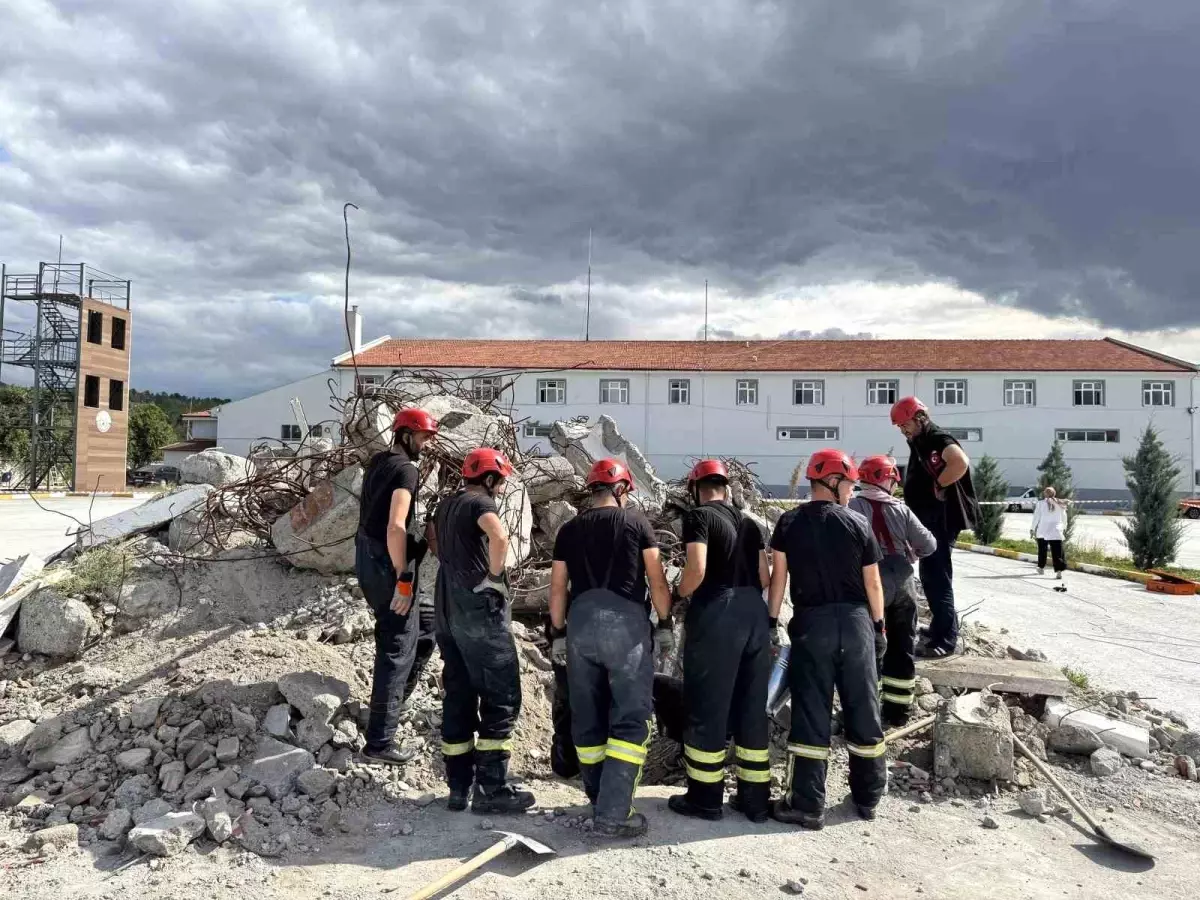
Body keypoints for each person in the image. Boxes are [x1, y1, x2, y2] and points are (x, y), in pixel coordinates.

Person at [548, 458, 672, 838]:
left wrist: (557, 633)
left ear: (592, 490)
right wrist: (665, 623)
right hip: (626, 629)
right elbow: (656, 580)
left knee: (587, 715)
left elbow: (557, 589)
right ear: (621, 490)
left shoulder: (569, 530)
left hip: (581, 627)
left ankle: (598, 796)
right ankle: (614, 814)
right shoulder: (636, 523)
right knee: (631, 718)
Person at [767, 449, 887, 829]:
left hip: (812, 625)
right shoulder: (858, 524)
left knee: (811, 712)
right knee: (863, 709)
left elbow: (778, 579)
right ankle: (868, 797)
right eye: (850, 484)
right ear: (833, 483)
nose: (852, 491)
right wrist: (879, 627)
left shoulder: (788, 523)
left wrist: (772, 620)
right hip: (856, 624)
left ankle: (807, 804)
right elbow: (873, 582)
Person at [667, 459, 773, 823]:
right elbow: (764, 574)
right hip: (754, 614)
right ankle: (755, 799)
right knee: (751, 705)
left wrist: (678, 594)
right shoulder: (748, 523)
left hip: (718, 613)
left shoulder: (698, 517)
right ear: (727, 487)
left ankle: (705, 798)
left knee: (708, 704)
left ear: (696, 489)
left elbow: (696, 569)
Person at [434, 447, 534, 814]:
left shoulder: (446, 505)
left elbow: (433, 540)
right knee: (501, 697)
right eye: (500, 481)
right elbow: (500, 537)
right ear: (489, 479)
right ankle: (492, 791)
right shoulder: (480, 505)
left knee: (458, 695)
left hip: (447, 611)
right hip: (479, 616)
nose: (501, 489)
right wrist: (493, 578)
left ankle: (458, 789)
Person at [355, 407, 439, 766]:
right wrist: (404, 578)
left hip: (369, 560)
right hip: (389, 568)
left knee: (425, 634)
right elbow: (395, 527)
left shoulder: (379, 461)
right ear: (406, 435)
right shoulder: (406, 469)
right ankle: (379, 742)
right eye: (423, 437)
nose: (426, 443)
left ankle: (386, 709)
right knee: (397, 647)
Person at [849, 455, 937, 727]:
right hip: (903, 581)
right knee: (902, 646)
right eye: (892, 479)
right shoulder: (902, 509)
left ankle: (868, 713)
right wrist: (911, 551)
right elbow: (930, 545)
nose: (894, 485)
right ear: (886, 478)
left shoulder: (852, 506)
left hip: (870, 580)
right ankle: (899, 712)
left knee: (871, 647)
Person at [890, 396, 980, 659]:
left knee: (937, 578)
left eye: (904, 423)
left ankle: (946, 640)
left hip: (940, 522)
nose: (902, 429)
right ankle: (940, 628)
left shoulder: (937, 438)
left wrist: (940, 484)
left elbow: (960, 462)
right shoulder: (921, 440)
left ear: (918, 418)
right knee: (931, 578)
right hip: (930, 521)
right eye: (899, 426)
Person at [1032, 487, 1068, 579]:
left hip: (1043, 530)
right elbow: (1064, 517)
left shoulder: (1040, 503)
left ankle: (1041, 567)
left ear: (1045, 494)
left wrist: (1032, 528)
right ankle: (1059, 571)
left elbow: (1036, 517)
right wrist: (1064, 527)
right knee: (1057, 551)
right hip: (1056, 530)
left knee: (1042, 549)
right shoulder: (1060, 503)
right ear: (1054, 494)